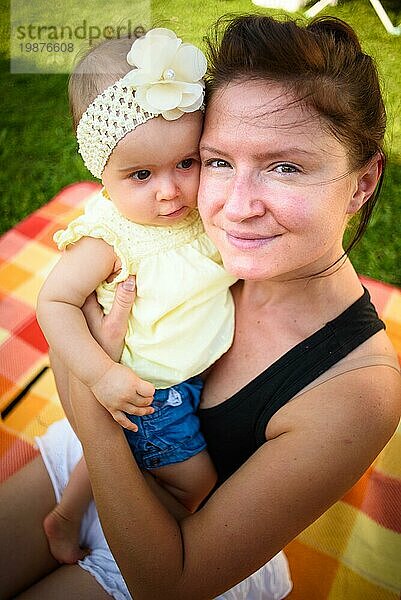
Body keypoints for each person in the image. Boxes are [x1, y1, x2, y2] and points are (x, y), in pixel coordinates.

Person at [1, 14, 400, 600]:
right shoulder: (190, 235)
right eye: (216, 161)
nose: (234, 208)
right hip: (89, 464)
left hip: (166, 549)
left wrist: (90, 406)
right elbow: (76, 289)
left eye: (285, 166)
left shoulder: (356, 390)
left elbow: (171, 582)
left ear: (362, 183)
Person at [36, 29, 236, 565]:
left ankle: (65, 516)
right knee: (196, 485)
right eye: (141, 175)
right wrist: (102, 377)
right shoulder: (112, 236)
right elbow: (53, 303)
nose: (169, 191)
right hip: (149, 393)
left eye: (186, 164)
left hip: (190, 379)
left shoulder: (200, 212)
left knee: (116, 458)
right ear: (102, 172)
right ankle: (131, 542)